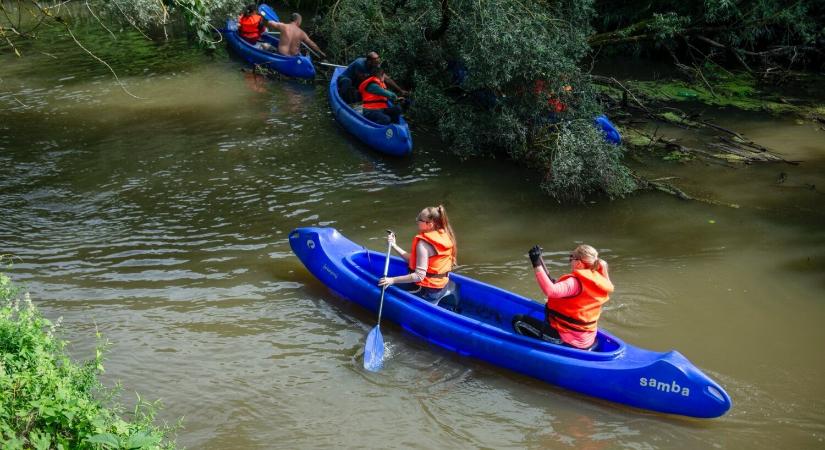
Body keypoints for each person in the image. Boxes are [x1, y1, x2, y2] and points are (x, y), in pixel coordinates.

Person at [512, 244, 613, 350]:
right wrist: (540, 261)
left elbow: (550, 291)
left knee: (518, 321)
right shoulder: (599, 279)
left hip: (568, 339)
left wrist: (536, 263)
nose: (570, 261)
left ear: (578, 263)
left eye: (571, 258)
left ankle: (533, 352)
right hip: (587, 339)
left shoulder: (574, 282)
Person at [377, 206, 457, 304]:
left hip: (428, 290)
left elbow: (419, 276)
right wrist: (394, 245)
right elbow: (414, 261)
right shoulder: (445, 235)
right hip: (443, 284)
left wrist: (392, 280)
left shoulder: (423, 244)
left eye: (420, 219)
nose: (417, 220)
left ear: (430, 224)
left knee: (386, 289)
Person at [338, 52, 408, 104]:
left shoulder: (375, 65)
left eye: (378, 62)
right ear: (369, 61)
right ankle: (341, 101)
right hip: (347, 78)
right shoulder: (359, 64)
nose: (377, 64)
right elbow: (362, 81)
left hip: (358, 82)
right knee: (347, 82)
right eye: (375, 62)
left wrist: (400, 90)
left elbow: (387, 79)